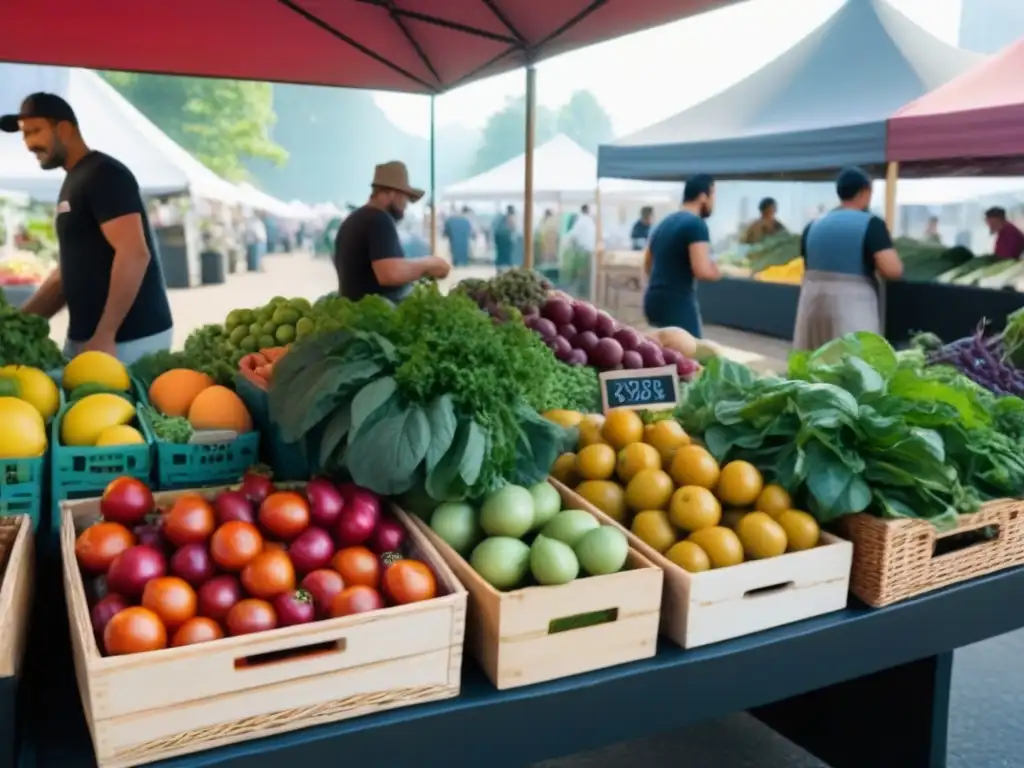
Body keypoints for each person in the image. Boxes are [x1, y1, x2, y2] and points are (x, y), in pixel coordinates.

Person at [2, 92, 172, 364]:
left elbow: (134, 254)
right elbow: (66, 274)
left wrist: (105, 334)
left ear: (64, 129)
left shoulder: (105, 174)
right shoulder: (75, 180)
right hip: (89, 339)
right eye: (24, 135)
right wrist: (17, 324)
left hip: (127, 339)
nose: (29, 144)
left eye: (35, 131)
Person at [792, 166, 903, 350]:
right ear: (865, 191)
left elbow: (807, 264)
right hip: (851, 303)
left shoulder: (813, 225)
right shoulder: (871, 224)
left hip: (812, 302)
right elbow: (892, 270)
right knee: (852, 363)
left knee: (813, 360)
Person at [334, 161, 450, 302]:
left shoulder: (353, 219)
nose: (406, 206)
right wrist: (429, 263)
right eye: (405, 199)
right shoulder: (379, 220)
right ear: (393, 194)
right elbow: (390, 273)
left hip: (355, 312)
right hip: (375, 317)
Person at [643, 175, 721, 338]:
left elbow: (647, 264)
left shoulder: (663, 223)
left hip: (653, 299)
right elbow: (701, 270)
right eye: (713, 196)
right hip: (678, 303)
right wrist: (719, 271)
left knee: (663, 356)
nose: (714, 202)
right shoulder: (696, 225)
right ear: (702, 196)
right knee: (692, 355)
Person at [562, 204, 597, 297]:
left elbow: (573, 235)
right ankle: (586, 293)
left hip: (583, 251)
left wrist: (566, 244)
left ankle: (580, 293)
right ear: (588, 211)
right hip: (590, 250)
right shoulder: (590, 221)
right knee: (586, 274)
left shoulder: (581, 221)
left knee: (581, 273)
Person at [494, 205, 515, 272]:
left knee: (500, 254)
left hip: (498, 237)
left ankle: (499, 268)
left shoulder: (502, 217)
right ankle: (507, 269)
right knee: (506, 254)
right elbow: (511, 227)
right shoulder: (510, 217)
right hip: (505, 238)